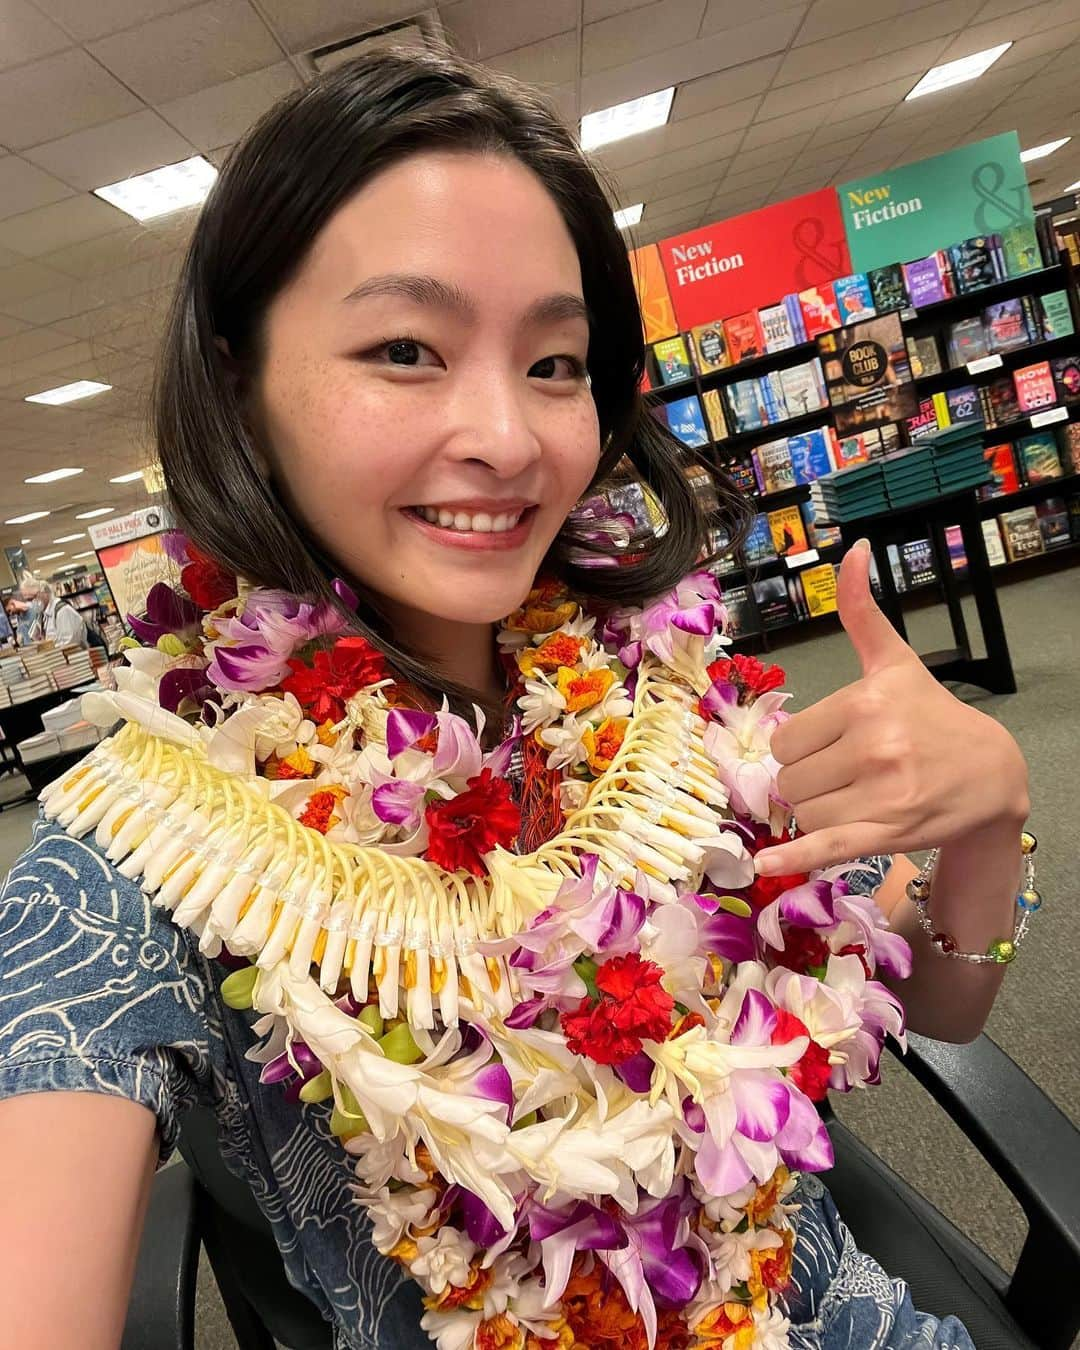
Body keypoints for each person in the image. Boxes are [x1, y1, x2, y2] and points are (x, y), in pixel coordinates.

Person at [0, 49, 1036, 1350]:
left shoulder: (658, 690)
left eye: (556, 361)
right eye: (405, 347)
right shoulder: (157, 834)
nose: (506, 432)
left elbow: (944, 1004)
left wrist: (989, 817)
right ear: (239, 378)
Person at [17, 572, 89, 648]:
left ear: (43, 592)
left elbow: (71, 644)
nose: (31, 603)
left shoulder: (63, 610)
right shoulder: (42, 615)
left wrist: (50, 649)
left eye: (32, 598)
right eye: (27, 600)